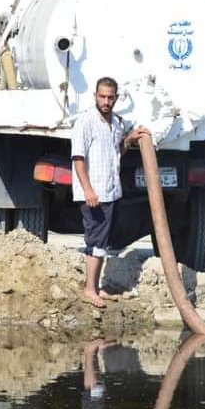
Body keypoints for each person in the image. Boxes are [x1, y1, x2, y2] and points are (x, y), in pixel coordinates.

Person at [71, 77, 150, 308]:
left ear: (116, 98)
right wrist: (88, 190)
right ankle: (89, 289)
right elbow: (78, 158)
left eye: (110, 97)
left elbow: (117, 151)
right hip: (94, 193)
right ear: (95, 96)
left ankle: (97, 287)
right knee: (95, 240)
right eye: (102, 97)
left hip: (111, 191)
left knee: (103, 241)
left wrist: (130, 139)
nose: (106, 101)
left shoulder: (115, 123)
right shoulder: (85, 122)